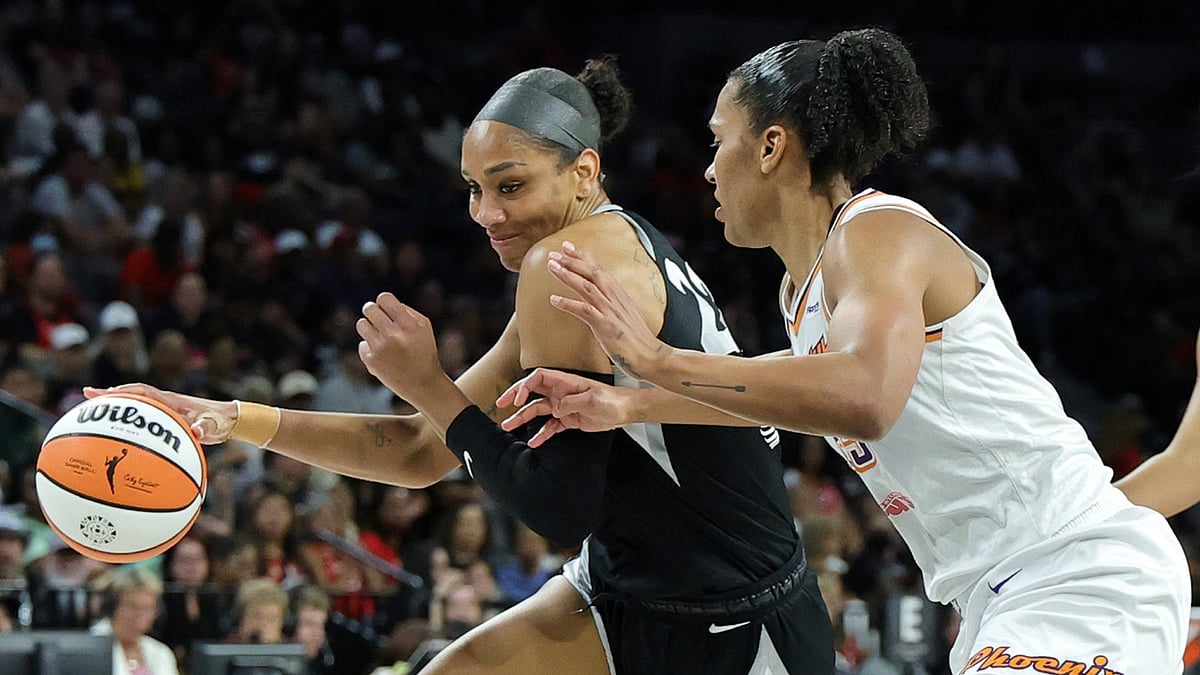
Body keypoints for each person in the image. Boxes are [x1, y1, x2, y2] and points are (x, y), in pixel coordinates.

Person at [89, 57, 835, 674]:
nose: (485, 213)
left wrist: (429, 385)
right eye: (476, 189)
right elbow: (420, 450)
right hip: (632, 588)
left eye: (510, 186)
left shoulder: (565, 263)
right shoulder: (600, 243)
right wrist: (227, 417)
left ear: (584, 171)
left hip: (735, 620)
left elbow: (556, 508)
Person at [498, 29, 1190, 673]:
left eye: (718, 142)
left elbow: (864, 397)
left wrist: (657, 359)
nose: (707, 169)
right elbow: (792, 387)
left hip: (1072, 577)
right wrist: (631, 402)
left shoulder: (877, 230)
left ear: (771, 147)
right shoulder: (803, 290)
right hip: (1001, 594)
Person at [89, 567, 180, 675]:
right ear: (112, 606)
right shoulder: (90, 648)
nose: (139, 615)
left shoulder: (161, 652)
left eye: (147, 608)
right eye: (132, 606)